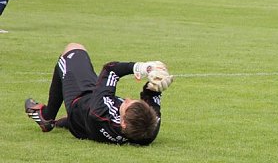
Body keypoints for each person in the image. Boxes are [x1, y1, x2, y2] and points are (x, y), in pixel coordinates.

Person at [23, 43, 171, 145]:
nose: (126, 99)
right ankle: (63, 122)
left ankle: (47, 116)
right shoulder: (146, 132)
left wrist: (142, 67)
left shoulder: (100, 111)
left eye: (126, 105)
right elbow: (151, 104)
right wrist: (154, 86)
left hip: (80, 99)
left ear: (123, 123)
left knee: (74, 50)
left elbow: (110, 70)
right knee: (79, 120)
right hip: (85, 126)